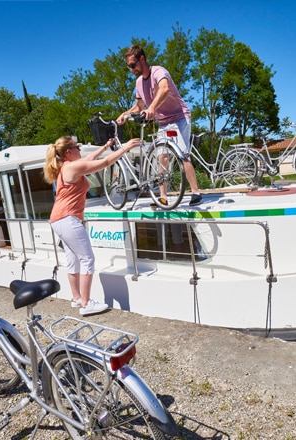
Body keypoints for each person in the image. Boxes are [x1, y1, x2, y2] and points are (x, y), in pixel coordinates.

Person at [44, 135, 140, 315]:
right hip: (67, 218)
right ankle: (86, 304)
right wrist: (125, 148)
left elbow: (89, 159)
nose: (79, 149)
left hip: (58, 219)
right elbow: (105, 164)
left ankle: (76, 298)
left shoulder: (66, 166)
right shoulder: (72, 167)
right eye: (76, 146)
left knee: (73, 260)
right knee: (87, 259)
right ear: (68, 152)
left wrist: (105, 145)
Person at [117, 45, 202, 206]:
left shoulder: (158, 72)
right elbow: (138, 107)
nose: (131, 69)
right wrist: (125, 114)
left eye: (133, 65)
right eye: (128, 66)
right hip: (163, 122)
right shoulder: (139, 83)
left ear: (142, 59)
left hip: (179, 117)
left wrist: (152, 108)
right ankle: (162, 197)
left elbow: (164, 89)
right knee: (161, 157)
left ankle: (195, 192)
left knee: (182, 153)